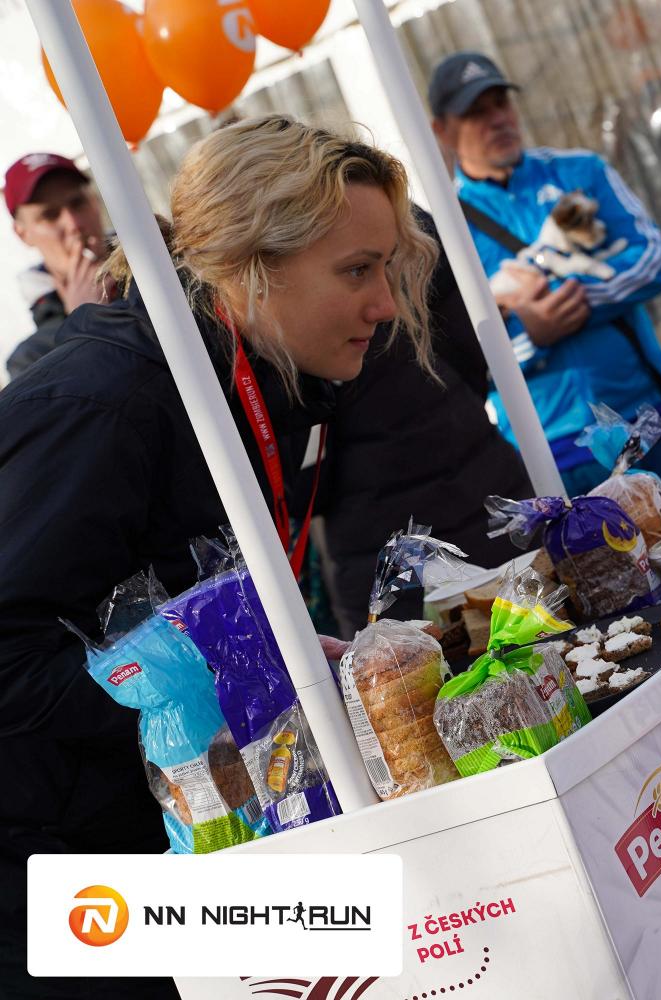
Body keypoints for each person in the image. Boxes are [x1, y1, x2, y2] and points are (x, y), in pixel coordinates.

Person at [0, 115, 437, 999]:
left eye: (387, 268)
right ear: (251, 267)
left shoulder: (273, 380)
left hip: (180, 830)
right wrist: (207, 682)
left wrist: (273, 657)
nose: (387, 304)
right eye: (357, 271)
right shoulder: (105, 402)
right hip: (64, 877)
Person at [428, 51, 661, 503]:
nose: (497, 119)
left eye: (501, 103)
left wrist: (574, 303)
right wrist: (531, 337)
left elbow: (652, 257)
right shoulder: (441, 228)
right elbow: (453, 350)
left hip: (638, 414)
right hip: (547, 447)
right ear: (441, 130)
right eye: (476, 112)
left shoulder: (581, 171)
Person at [316, 208, 533, 639]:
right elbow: (470, 350)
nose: (383, 306)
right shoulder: (398, 213)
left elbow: (303, 482)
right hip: (478, 488)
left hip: (384, 533)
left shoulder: (307, 243)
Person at [4, 153, 114, 380]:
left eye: (78, 203)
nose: (73, 224)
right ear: (23, 234)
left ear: (94, 202)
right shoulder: (30, 359)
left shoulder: (165, 267)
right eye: (50, 215)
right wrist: (86, 327)